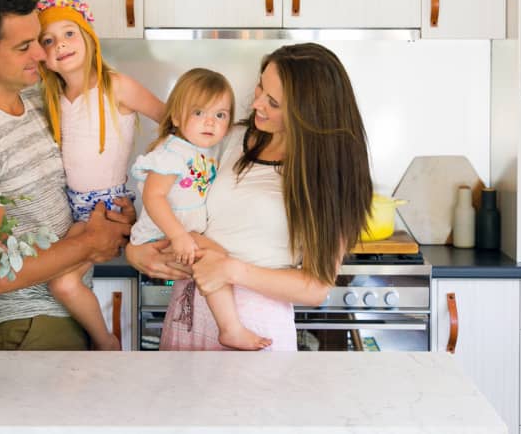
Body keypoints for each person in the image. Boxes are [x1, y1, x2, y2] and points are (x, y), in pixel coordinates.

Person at [0, 0, 134, 351]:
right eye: (24, 47)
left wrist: (117, 211)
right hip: (22, 326)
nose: (41, 54)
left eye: (38, 40)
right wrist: (90, 242)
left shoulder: (41, 97)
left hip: (67, 308)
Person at [126, 43, 374, 351]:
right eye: (260, 86)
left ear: (306, 112)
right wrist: (136, 253)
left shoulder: (329, 176)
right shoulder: (227, 139)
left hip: (253, 328)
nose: (256, 103)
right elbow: (171, 194)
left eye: (273, 102)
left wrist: (231, 270)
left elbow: (315, 288)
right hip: (187, 315)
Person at [36, 0, 164, 350]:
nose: (60, 44)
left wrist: (156, 170)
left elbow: (172, 121)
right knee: (60, 280)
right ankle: (104, 343)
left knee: (62, 284)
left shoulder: (116, 86)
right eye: (48, 40)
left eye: (68, 34)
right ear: (42, 56)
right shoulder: (54, 97)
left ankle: (106, 343)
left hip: (106, 208)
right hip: (73, 207)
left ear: (88, 38)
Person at [130, 67, 271, 350]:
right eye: (199, 113)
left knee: (217, 258)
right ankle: (230, 328)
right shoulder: (171, 154)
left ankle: (228, 327)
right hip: (163, 234)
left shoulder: (203, 152)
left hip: (181, 232)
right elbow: (153, 197)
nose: (210, 122)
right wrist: (180, 236)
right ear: (177, 117)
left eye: (220, 115)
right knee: (217, 258)